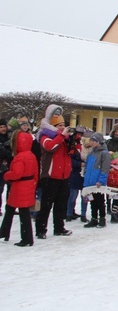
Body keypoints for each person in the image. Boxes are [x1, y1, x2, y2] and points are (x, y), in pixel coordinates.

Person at [35, 105, 74, 238]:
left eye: (63, 125)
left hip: (63, 176)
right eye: (59, 125)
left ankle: (59, 227)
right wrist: (61, 137)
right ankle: (40, 229)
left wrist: (72, 141)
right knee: (46, 205)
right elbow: (50, 147)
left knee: (61, 204)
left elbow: (71, 153)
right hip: (51, 176)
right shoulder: (44, 135)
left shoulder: (64, 138)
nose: (62, 127)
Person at [0, 130, 39, 246]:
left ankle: (26, 239)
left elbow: (17, 173)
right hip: (27, 185)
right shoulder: (31, 156)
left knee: (18, 211)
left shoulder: (20, 157)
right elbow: (36, 173)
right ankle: (4, 232)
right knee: (17, 210)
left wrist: (7, 175)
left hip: (19, 186)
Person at [82, 133, 111, 228]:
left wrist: (101, 181)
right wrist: (85, 177)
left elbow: (105, 169)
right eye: (92, 140)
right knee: (92, 201)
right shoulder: (91, 152)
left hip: (98, 182)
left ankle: (102, 218)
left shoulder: (104, 153)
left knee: (100, 201)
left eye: (94, 141)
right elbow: (87, 166)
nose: (92, 142)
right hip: (89, 182)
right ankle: (94, 218)